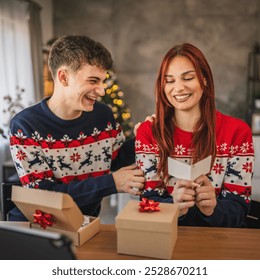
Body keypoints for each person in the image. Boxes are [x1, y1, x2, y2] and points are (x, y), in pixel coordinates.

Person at [8, 35, 144, 221]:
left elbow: (116, 158)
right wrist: (111, 183)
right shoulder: (25, 126)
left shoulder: (103, 115)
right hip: (38, 229)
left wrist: (144, 139)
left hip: (86, 224)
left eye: (102, 81)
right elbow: (44, 196)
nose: (102, 90)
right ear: (63, 77)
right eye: (93, 81)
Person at [135, 43, 254, 227]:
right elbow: (147, 204)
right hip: (168, 240)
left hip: (220, 242)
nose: (179, 88)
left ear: (204, 79)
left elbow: (239, 209)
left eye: (188, 78)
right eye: (170, 80)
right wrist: (174, 206)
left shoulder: (237, 132)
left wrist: (212, 208)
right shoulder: (148, 133)